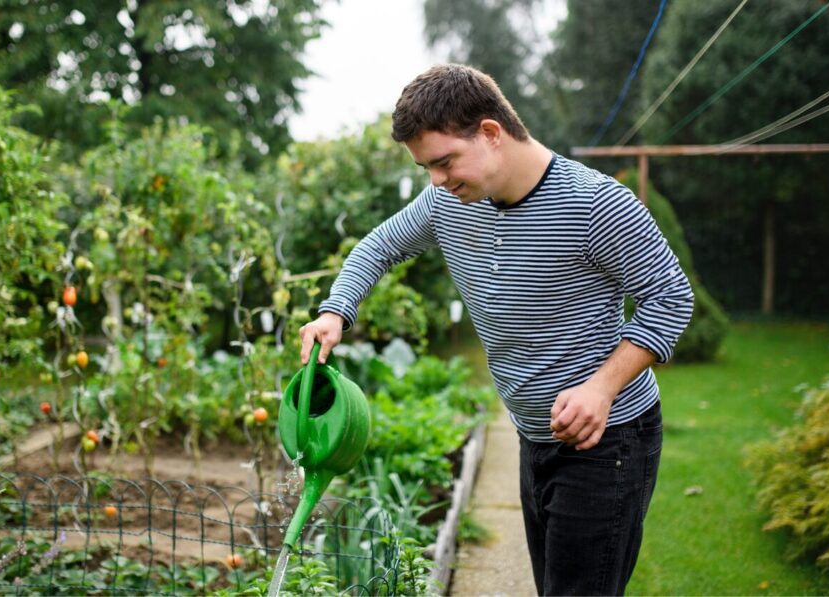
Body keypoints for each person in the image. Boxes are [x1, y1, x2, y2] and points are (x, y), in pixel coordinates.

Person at [297, 63, 694, 595]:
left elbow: (670, 297)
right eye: (426, 169)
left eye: (443, 162)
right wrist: (334, 311)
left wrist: (602, 387)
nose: (436, 180)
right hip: (534, 433)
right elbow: (379, 245)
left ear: (490, 133)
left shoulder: (595, 203)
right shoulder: (447, 202)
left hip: (608, 440)